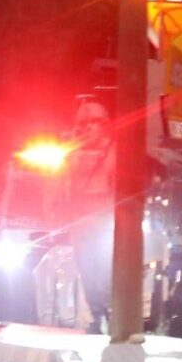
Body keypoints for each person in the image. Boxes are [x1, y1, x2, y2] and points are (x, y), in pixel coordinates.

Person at [63, 100, 114, 332]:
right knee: (87, 270)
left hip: (104, 219)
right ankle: (96, 313)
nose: (88, 128)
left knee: (104, 271)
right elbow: (61, 181)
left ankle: (108, 311)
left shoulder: (115, 150)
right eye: (83, 124)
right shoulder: (71, 151)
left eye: (93, 123)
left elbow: (123, 182)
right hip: (80, 219)